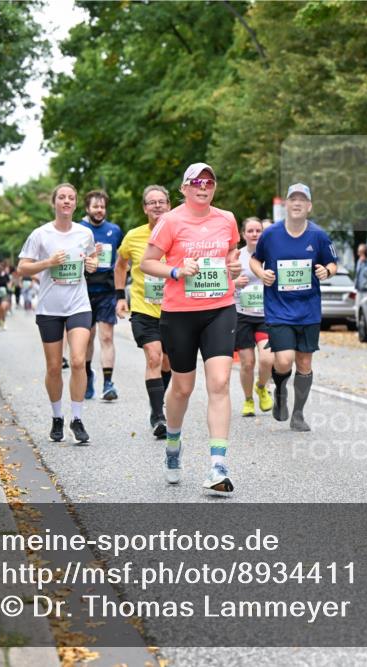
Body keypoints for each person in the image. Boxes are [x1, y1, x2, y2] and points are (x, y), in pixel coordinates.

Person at [140, 163, 241, 494]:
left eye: (209, 182)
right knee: (182, 388)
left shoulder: (226, 219)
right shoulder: (170, 221)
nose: (204, 186)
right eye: (197, 181)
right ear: (184, 188)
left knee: (221, 382)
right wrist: (175, 270)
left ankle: (217, 464)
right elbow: (147, 262)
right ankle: (173, 443)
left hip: (220, 309)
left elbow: (231, 252)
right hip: (180, 313)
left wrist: (233, 264)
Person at [249, 183, 338, 432]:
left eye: (302, 199)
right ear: (286, 205)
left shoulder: (319, 235)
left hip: (308, 309)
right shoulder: (271, 234)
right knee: (284, 360)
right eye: (293, 199)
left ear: (309, 206)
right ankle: (280, 390)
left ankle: (298, 414)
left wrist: (326, 270)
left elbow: (333, 264)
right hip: (278, 308)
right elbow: (255, 260)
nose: (297, 203)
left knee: (305, 362)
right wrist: (262, 273)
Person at [18, 183, 100, 445]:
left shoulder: (84, 233)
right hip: (49, 308)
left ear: (76, 204)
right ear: (54, 203)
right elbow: (23, 268)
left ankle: (77, 419)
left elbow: (90, 262)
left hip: (78, 305)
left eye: (71, 198)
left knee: (77, 361)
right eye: (61, 197)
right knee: (54, 367)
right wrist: (48, 263)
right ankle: (57, 417)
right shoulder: (40, 235)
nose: (66, 201)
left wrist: (92, 264)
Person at [115, 185, 173, 439]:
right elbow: (120, 265)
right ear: (145, 208)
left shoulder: (180, 235)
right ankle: (159, 416)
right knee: (154, 357)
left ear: (169, 206)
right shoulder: (134, 237)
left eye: (162, 201)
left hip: (174, 310)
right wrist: (119, 297)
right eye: (152, 202)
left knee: (169, 362)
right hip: (143, 308)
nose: (157, 206)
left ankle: (156, 405)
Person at [78, 190, 124, 401]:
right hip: (84, 291)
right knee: (87, 339)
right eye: (95, 206)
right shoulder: (79, 230)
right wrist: (88, 255)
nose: (99, 210)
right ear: (87, 208)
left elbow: (122, 260)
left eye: (102, 206)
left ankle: (108, 383)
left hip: (106, 291)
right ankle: (87, 376)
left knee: (106, 337)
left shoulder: (114, 231)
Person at [234, 217, 274, 417]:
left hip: (265, 315)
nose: (255, 234)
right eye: (250, 231)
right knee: (247, 363)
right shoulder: (236, 256)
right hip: (242, 315)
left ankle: (261, 387)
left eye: (258, 230)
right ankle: (248, 399)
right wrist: (235, 283)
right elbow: (223, 281)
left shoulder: (272, 254)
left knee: (267, 360)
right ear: (243, 234)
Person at [0, 261, 12, 330]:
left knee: (3, 308)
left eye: (1, 267)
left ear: (3, 268)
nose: (0, 269)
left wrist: (9, 286)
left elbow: (9, 282)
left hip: (4, 293)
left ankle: (3, 322)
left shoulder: (6, 275)